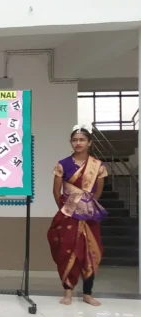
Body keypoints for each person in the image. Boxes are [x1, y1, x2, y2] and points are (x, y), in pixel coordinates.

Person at [47, 125, 108, 307]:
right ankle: (67, 292)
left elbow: (97, 192)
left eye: (82, 140)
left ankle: (88, 294)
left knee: (91, 252)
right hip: (68, 215)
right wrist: (67, 209)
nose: (78, 143)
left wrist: (86, 207)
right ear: (71, 143)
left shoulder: (97, 166)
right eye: (75, 140)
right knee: (67, 251)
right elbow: (56, 191)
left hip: (89, 217)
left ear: (89, 142)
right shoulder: (63, 164)